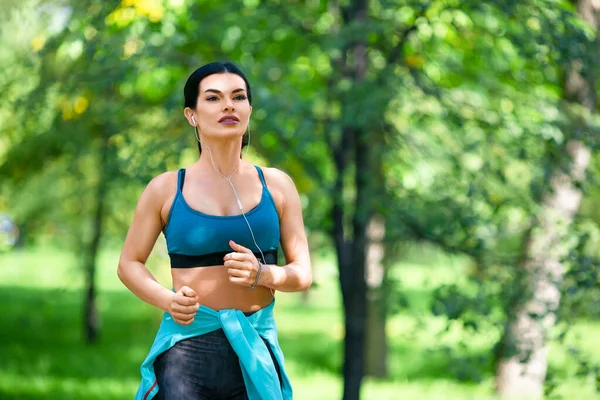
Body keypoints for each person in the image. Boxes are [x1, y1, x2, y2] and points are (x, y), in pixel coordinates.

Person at [117, 61, 312, 400]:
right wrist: (168, 300)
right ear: (191, 114)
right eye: (213, 98)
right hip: (186, 350)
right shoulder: (165, 189)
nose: (228, 105)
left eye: (238, 97)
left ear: (249, 109)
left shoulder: (278, 186)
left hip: (254, 345)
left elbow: (303, 273)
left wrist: (263, 274)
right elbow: (129, 263)